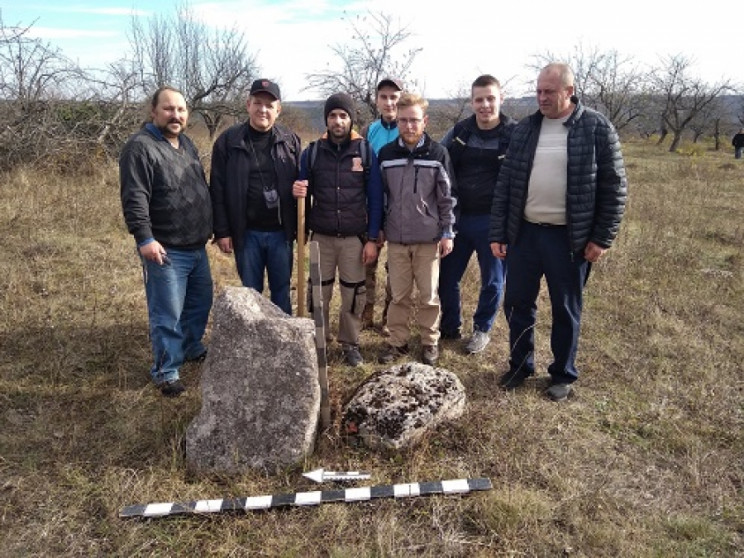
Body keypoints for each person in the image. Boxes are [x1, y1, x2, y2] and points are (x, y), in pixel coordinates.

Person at [489, 62, 628, 402]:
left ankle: (562, 374)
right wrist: (499, 232)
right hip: (525, 235)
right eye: (538, 90)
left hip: (569, 239)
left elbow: (615, 187)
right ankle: (521, 366)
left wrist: (601, 238)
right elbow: (506, 184)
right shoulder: (525, 129)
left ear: (569, 91)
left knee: (566, 308)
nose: (542, 97)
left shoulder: (596, 128)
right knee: (518, 303)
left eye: (549, 91)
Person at [120, 86, 213, 398]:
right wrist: (145, 238)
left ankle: (190, 347)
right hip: (165, 247)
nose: (176, 115)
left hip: (196, 245)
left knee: (200, 303)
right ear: (153, 112)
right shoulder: (140, 147)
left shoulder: (185, 143)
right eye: (169, 109)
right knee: (167, 312)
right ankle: (166, 370)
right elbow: (135, 197)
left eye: (181, 110)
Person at [292, 93, 384, 366]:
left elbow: (376, 198)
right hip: (321, 236)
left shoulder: (366, 152)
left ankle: (350, 343)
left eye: (343, 115)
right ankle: (320, 339)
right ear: (326, 120)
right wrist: (303, 222)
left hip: (354, 238)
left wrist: (372, 239)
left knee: (353, 293)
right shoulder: (312, 153)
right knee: (318, 292)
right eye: (333, 115)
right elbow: (301, 190)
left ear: (351, 119)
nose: (337, 120)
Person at [377, 92, 457, 366]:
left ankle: (429, 342)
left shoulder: (438, 154)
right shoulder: (386, 155)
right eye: (403, 121)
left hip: (428, 238)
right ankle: (397, 341)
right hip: (397, 238)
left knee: (428, 295)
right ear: (396, 121)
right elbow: (380, 196)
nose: (408, 126)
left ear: (425, 121)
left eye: (414, 120)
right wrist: (378, 228)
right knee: (398, 295)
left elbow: (447, 197)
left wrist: (447, 232)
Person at [439, 74, 517, 354]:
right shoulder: (460, 132)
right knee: (446, 277)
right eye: (479, 99)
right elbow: (435, 157)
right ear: (472, 102)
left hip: (494, 222)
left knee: (494, 281)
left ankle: (482, 329)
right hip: (458, 218)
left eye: (490, 98)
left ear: (501, 98)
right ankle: (450, 326)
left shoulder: (515, 135)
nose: (485, 105)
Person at [210, 79, 301, 315]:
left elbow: (304, 184)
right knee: (251, 293)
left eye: (270, 105)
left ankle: (283, 344)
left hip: (281, 232)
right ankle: (253, 344)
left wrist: (303, 227)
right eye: (258, 103)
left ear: (278, 109)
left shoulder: (290, 141)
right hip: (246, 233)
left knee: (281, 290)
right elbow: (217, 189)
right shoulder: (228, 141)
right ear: (248, 104)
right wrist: (222, 231)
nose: (263, 109)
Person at [359, 77, 403, 331]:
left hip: (399, 211)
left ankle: (389, 318)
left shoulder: (409, 127)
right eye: (384, 97)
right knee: (367, 264)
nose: (389, 102)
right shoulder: (368, 131)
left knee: (395, 270)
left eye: (394, 97)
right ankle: (365, 315)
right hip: (371, 209)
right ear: (377, 100)